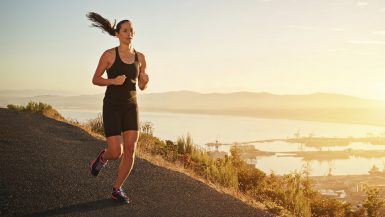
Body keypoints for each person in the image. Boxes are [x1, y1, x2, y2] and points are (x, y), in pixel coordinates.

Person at [87, 12, 149, 204]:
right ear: (117, 34)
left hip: (132, 106)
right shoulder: (109, 55)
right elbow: (95, 79)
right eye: (125, 30)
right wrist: (113, 81)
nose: (129, 33)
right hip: (112, 107)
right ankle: (102, 158)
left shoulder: (140, 57)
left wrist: (145, 82)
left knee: (130, 150)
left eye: (132, 30)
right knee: (116, 152)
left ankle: (117, 188)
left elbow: (141, 84)